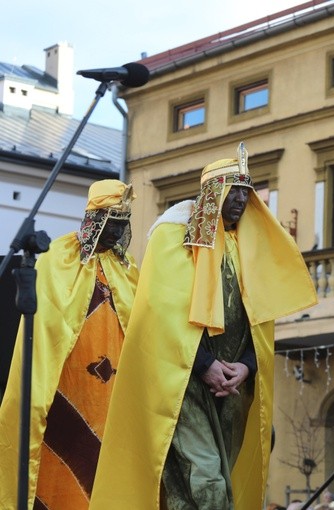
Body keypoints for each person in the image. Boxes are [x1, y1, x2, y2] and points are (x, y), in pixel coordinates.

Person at [90, 142, 317, 509]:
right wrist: (205, 366)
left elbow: (260, 319)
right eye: (234, 190)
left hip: (232, 385)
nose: (242, 199)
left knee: (215, 485)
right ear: (214, 193)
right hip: (184, 381)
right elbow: (160, 313)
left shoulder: (247, 244)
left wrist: (245, 366)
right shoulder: (175, 236)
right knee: (208, 479)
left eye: (247, 192)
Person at [0, 180, 139, 509]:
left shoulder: (128, 270)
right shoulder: (59, 258)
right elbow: (46, 327)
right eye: (111, 223)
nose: (117, 233)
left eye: (122, 225)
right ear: (95, 219)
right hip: (67, 389)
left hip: (114, 399)